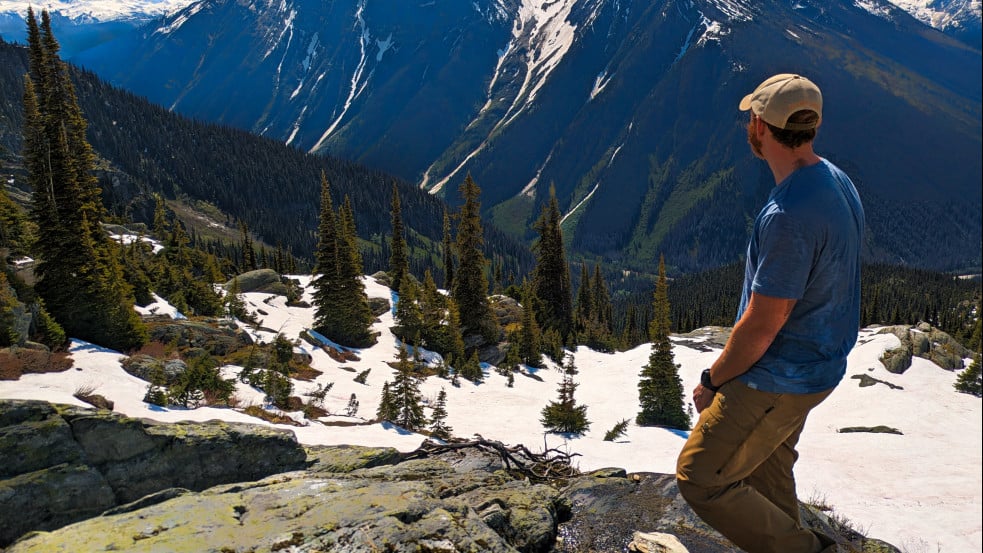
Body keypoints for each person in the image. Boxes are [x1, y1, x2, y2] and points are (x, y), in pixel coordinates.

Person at [675, 73, 865, 553]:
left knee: (700, 477)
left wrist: (714, 379)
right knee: (767, 464)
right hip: (817, 367)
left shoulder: (788, 216)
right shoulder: (835, 180)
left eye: (750, 117)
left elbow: (763, 324)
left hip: (776, 378)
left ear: (759, 126)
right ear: (811, 127)